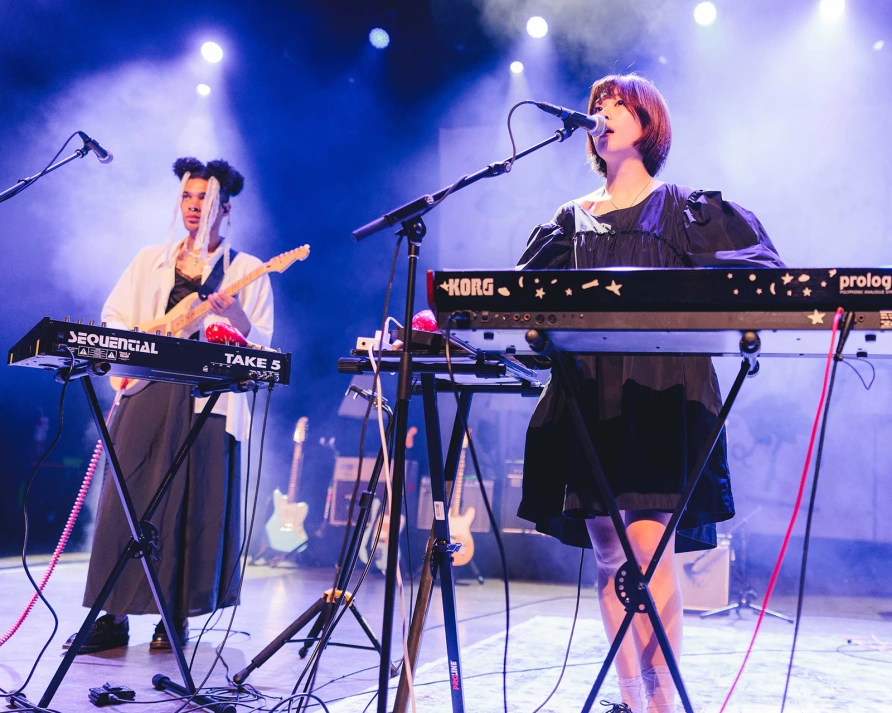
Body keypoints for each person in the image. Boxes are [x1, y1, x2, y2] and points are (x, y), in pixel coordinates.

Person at [516, 74, 783, 712]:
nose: (602, 115)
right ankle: (632, 697)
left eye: (618, 106)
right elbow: (525, 307)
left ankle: (663, 701)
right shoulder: (567, 222)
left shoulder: (688, 211)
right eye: (596, 107)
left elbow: (762, 274)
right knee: (609, 552)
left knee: (647, 546)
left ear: (648, 125)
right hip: (590, 391)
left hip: (664, 389)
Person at [65, 157, 274, 653]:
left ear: (226, 209)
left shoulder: (246, 271)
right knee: (127, 499)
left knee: (191, 506)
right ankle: (110, 614)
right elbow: (114, 315)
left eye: (205, 198)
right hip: (146, 392)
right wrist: (136, 342)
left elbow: (263, 346)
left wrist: (237, 315)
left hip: (206, 403)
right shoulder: (149, 259)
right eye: (187, 197)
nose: (194, 207)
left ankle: (172, 618)